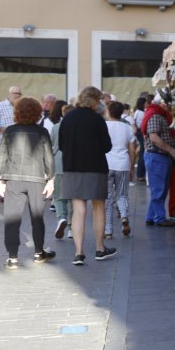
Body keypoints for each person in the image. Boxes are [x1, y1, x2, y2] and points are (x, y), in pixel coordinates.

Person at [0, 97, 56, 269]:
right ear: (37, 113)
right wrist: (50, 179)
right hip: (36, 179)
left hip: (13, 178)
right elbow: (48, 157)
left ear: (17, 113)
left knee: (12, 218)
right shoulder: (42, 132)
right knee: (37, 218)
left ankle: (12, 257)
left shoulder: (9, 131)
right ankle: (39, 252)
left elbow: (2, 157)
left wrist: (1, 180)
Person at [58, 87, 116, 266]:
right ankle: (99, 248)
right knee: (98, 207)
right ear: (94, 101)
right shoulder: (97, 119)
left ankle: (78, 253)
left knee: (78, 210)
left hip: (72, 167)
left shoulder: (67, 118)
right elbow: (107, 146)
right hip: (95, 167)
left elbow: (61, 145)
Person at [142, 89, 175, 228]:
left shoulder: (159, 115)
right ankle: (159, 218)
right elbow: (154, 137)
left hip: (160, 156)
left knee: (160, 189)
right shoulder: (155, 116)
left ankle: (151, 216)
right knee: (158, 189)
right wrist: (171, 149)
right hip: (157, 155)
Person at [104, 102, 136, 239]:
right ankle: (123, 216)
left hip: (106, 164)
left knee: (108, 198)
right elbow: (132, 150)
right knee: (122, 195)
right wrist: (131, 167)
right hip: (123, 164)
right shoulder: (127, 127)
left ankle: (108, 230)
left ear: (109, 112)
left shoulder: (104, 126)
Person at [50, 102, 72, 239]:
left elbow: (52, 144)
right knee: (73, 198)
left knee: (58, 196)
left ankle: (61, 218)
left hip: (58, 163)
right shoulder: (78, 128)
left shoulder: (56, 127)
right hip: (74, 165)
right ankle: (71, 227)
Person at [0, 86, 21, 155]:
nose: (17, 95)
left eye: (19, 94)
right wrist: (0, 128)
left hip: (18, 142)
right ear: (10, 94)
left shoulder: (21, 107)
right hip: (4, 142)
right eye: (15, 93)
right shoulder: (0, 106)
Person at [132, 95, 148, 182]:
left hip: (139, 134)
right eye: (146, 102)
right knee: (142, 153)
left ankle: (140, 174)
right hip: (141, 134)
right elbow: (142, 125)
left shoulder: (138, 112)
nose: (147, 104)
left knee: (142, 153)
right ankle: (141, 174)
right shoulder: (141, 113)